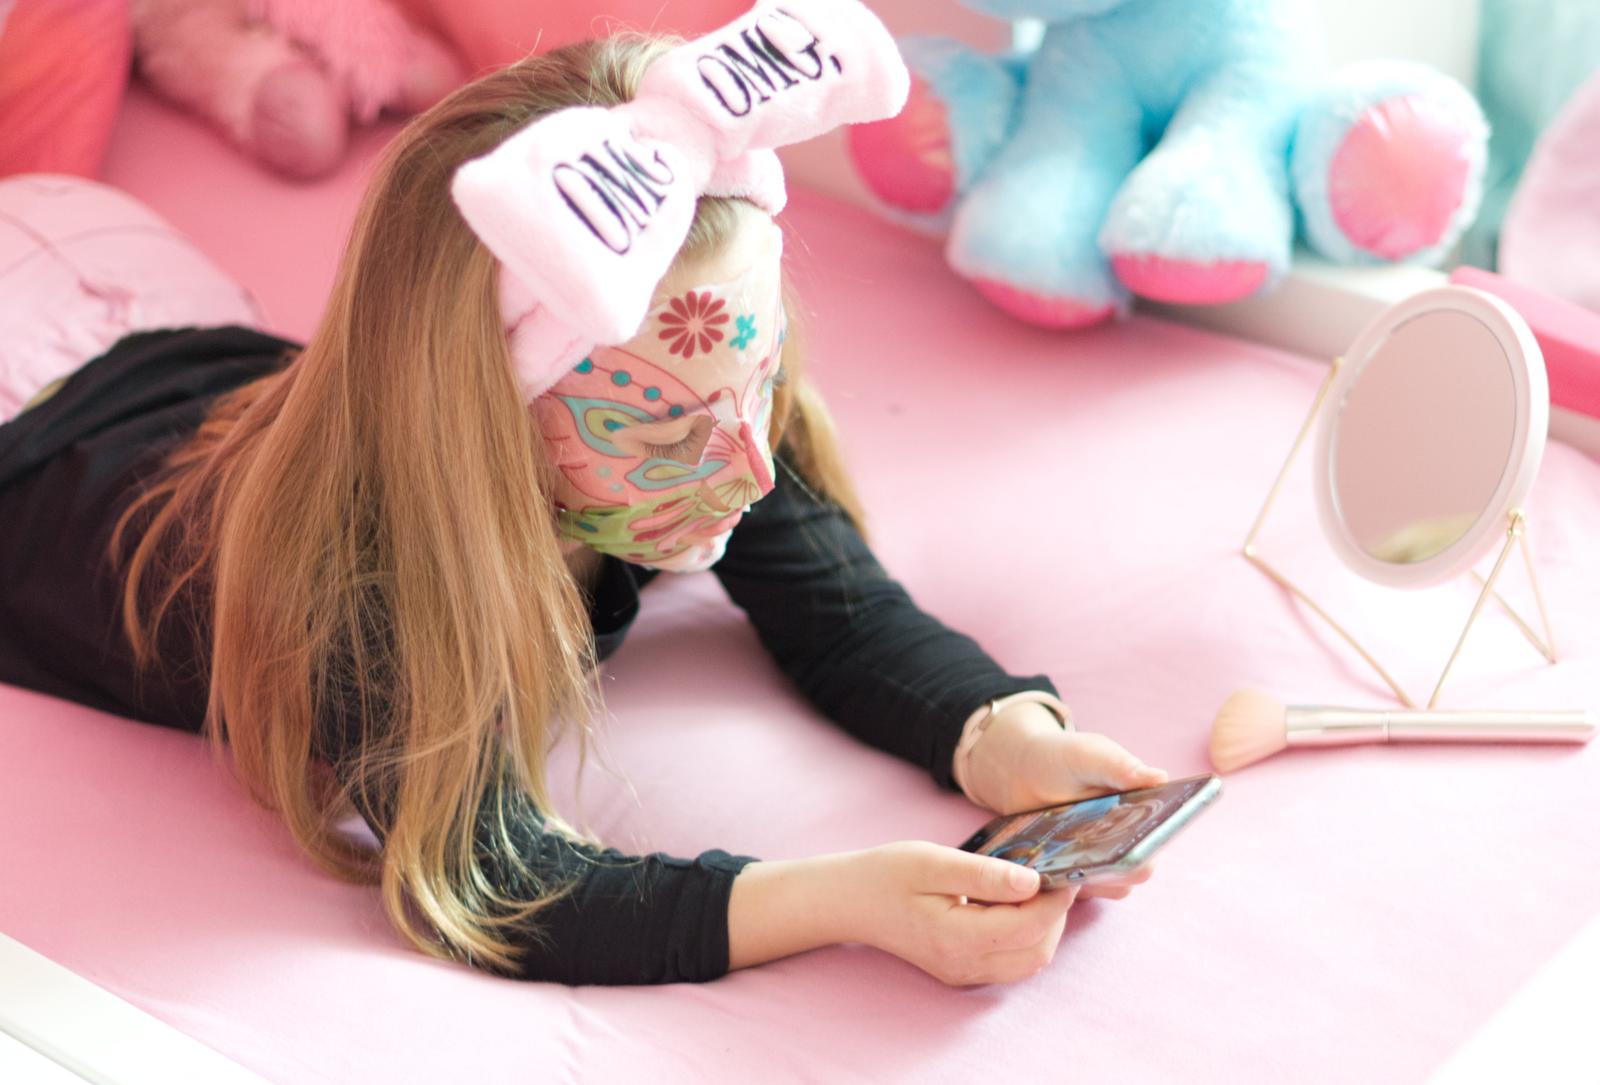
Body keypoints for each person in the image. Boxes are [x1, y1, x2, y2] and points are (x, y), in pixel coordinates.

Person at [0, 0, 1170, 988]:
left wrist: (1006, 738)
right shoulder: (360, 594)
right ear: (475, 425)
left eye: (756, 381)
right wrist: (844, 899)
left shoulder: (687, 403)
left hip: (133, 285)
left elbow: (842, 611)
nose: (750, 466)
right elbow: (495, 882)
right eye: (666, 430)